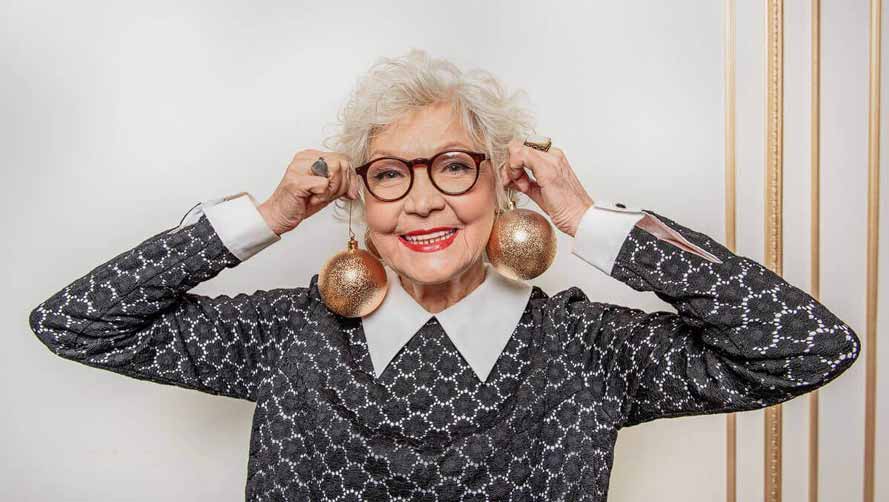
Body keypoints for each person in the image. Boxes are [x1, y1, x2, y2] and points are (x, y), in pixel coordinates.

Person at [29, 49, 860, 502]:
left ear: (508, 183)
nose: (423, 201)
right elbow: (76, 321)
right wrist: (272, 214)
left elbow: (808, 347)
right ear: (358, 197)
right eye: (391, 173)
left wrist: (586, 219)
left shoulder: (586, 349)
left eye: (455, 167)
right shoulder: (286, 337)